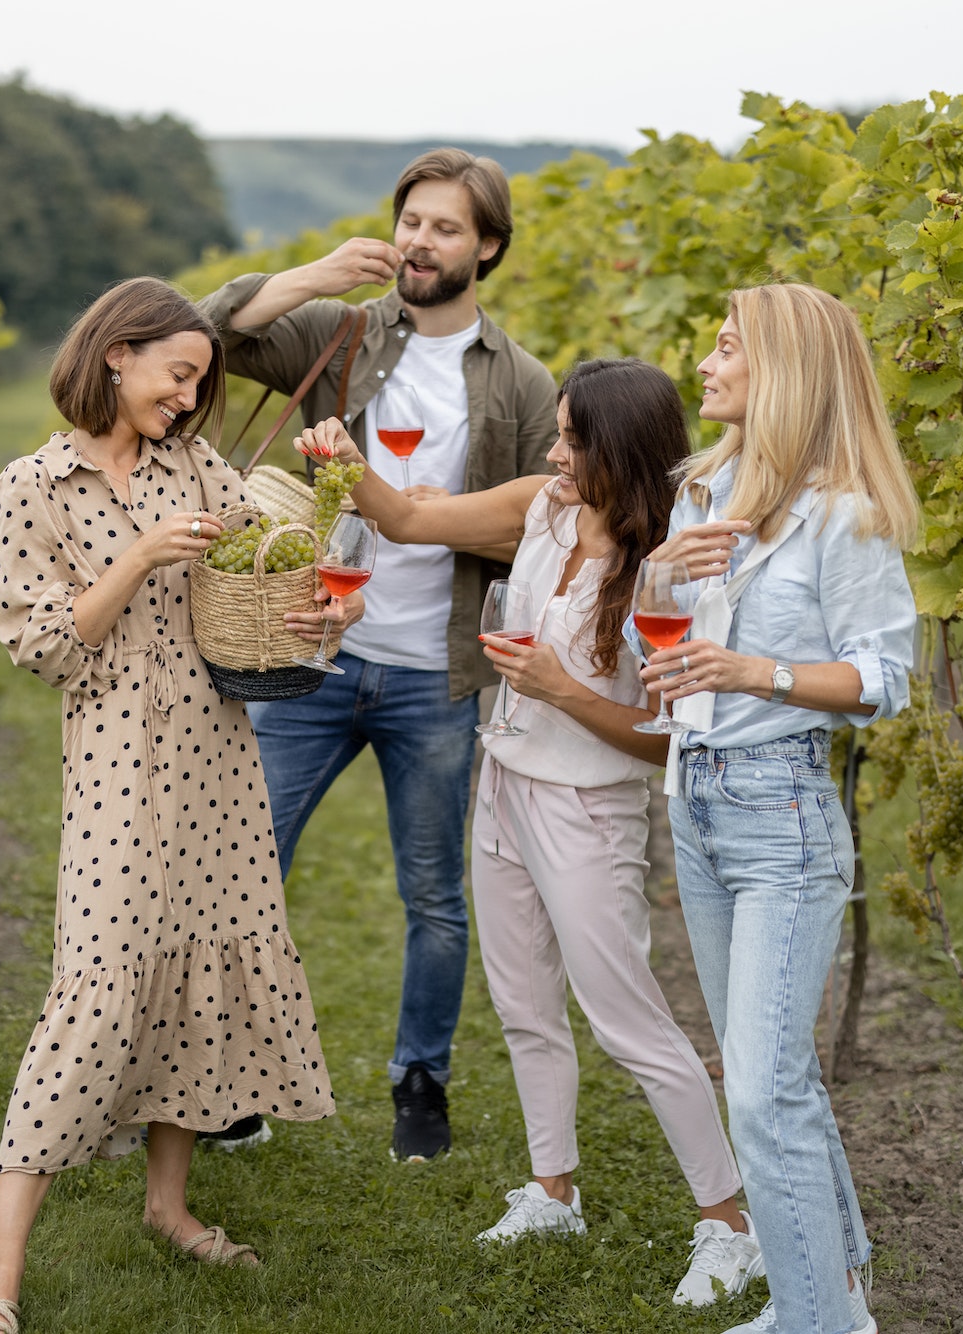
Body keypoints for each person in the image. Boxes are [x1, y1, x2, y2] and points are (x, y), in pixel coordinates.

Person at [291, 358, 766, 1308]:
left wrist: (562, 689)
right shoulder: (542, 508)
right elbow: (411, 519)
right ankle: (554, 1189)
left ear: (619, 452)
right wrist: (342, 461)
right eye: (554, 435)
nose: (553, 455)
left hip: (589, 807)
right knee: (521, 1005)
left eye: (571, 442)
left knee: (627, 1018)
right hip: (504, 779)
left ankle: (733, 1222)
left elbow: (664, 739)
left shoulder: (674, 558)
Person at [0, 278, 343, 1334]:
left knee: (201, 966)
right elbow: (40, 646)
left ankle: (168, 1205)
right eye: (178, 376)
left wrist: (315, 540)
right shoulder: (29, 486)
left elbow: (256, 557)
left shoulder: (190, 462)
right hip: (120, 765)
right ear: (116, 355)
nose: (187, 399)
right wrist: (136, 556)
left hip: (218, 755)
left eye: (199, 383)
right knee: (98, 984)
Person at [198, 148, 559, 1161]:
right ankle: (228, 1079)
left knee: (434, 894)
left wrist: (412, 516)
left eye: (444, 228)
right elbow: (200, 334)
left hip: (431, 673)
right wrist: (313, 275)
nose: (419, 242)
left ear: (485, 246)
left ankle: (420, 1080)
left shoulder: (522, 383)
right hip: (307, 657)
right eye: (410, 222)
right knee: (245, 866)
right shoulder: (343, 333)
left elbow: (537, 531)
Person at [639, 283, 918, 1334]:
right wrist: (660, 578)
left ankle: (816, 1322)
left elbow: (882, 676)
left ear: (784, 372)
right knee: (772, 1076)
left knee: (759, 1092)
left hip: (781, 817)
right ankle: (832, 1300)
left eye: (725, 348)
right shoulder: (701, 493)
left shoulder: (841, 517)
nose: (703, 365)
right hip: (698, 806)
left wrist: (757, 670)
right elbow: (652, 653)